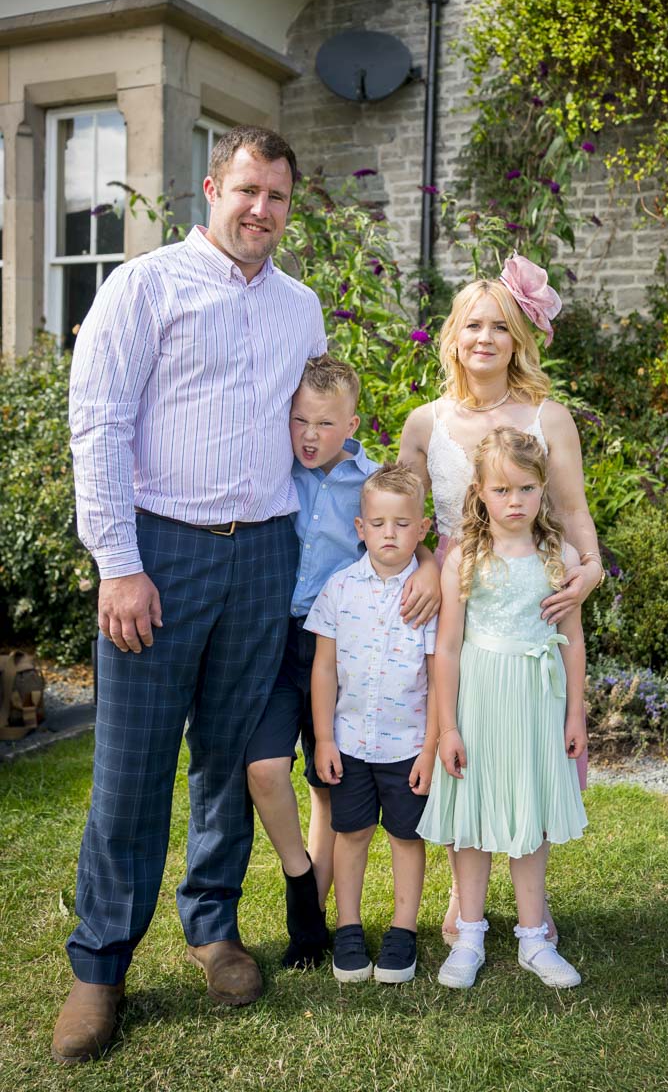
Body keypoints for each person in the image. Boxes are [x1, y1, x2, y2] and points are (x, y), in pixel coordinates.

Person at [55, 126, 325, 1064]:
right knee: (130, 770)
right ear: (212, 187)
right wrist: (118, 564)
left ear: (291, 206)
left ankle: (213, 930)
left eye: (278, 197)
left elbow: (316, 433)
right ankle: (100, 966)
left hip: (264, 555)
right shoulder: (145, 287)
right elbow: (98, 426)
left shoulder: (302, 308)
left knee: (229, 761)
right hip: (160, 554)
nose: (260, 209)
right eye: (247, 189)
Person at [398, 253, 602, 942]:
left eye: (499, 327)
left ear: (518, 339)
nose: (484, 338)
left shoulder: (548, 418)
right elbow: (403, 514)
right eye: (472, 325)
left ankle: (514, 907)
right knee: (456, 737)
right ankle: (468, 893)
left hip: (528, 585)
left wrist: (593, 567)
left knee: (524, 741)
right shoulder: (425, 423)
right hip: (458, 594)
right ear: (453, 336)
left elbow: (572, 513)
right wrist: (427, 563)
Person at [245, 358, 439, 969]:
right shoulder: (273, 468)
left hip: (345, 646)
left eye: (324, 423)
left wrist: (430, 566)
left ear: (351, 424)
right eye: (298, 419)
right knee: (266, 767)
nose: (307, 434)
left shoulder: (366, 481)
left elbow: (401, 530)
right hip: (280, 639)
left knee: (330, 789)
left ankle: (318, 929)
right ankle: (304, 887)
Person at [417, 427, 588, 989]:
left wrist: (575, 714)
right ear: (480, 493)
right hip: (480, 699)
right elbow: (446, 646)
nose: (515, 502)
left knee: (529, 813)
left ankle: (534, 939)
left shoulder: (557, 555)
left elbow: (574, 640)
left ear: (542, 490)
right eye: (502, 490)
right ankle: (468, 933)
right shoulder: (466, 557)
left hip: (538, 700)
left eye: (527, 489)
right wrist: (447, 727)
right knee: (471, 817)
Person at [308, 464, 438, 984]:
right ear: (360, 528)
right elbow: (323, 667)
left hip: (407, 744)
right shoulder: (340, 589)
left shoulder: (429, 598)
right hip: (351, 742)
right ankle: (349, 926)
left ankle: (403, 929)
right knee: (352, 832)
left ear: (422, 529)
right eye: (378, 523)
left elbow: (438, 677)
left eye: (403, 524)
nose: (390, 533)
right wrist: (322, 738)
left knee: (406, 836)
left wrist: (430, 748)